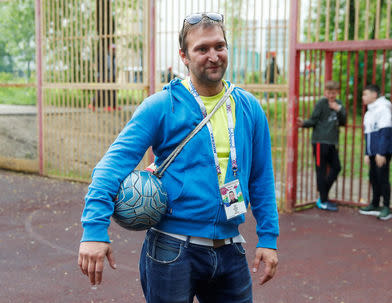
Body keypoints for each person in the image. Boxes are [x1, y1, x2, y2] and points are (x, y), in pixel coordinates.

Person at [78, 12, 279, 303]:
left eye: (219, 46)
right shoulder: (161, 106)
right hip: (172, 249)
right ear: (184, 56)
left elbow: (262, 178)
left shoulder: (248, 107)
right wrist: (94, 230)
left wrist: (269, 238)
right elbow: (110, 167)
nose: (213, 56)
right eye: (202, 49)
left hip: (230, 247)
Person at [297, 80, 347, 211]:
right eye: (329, 93)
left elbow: (344, 122)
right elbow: (313, 120)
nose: (331, 95)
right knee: (321, 170)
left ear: (337, 93)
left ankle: (322, 194)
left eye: (334, 93)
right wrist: (303, 123)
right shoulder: (321, 103)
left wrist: (339, 109)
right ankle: (323, 200)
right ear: (325, 92)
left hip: (332, 142)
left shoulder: (339, 104)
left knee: (337, 167)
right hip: (319, 142)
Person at [359, 84, 392, 220]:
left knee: (383, 178)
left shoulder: (383, 108)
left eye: (365, 94)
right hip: (373, 152)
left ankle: (386, 206)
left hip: (382, 151)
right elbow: (368, 135)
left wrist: (381, 153)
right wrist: (367, 153)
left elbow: (385, 132)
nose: (363, 97)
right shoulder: (369, 112)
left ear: (374, 95)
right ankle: (375, 204)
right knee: (373, 177)